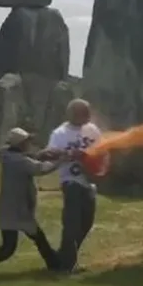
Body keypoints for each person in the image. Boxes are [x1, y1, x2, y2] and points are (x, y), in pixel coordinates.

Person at [0, 127, 62, 277]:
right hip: (17, 211)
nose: (29, 144)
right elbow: (40, 169)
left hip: (11, 209)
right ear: (20, 144)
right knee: (17, 246)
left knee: (15, 245)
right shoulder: (18, 161)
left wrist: (42, 154)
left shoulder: (9, 156)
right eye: (27, 141)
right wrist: (61, 161)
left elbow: (29, 157)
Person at [42, 98, 106, 274]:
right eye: (84, 112)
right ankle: (67, 265)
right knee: (72, 224)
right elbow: (50, 153)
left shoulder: (92, 130)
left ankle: (64, 257)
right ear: (73, 113)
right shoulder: (60, 133)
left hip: (89, 182)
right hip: (71, 181)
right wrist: (69, 153)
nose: (88, 116)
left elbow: (102, 149)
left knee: (87, 222)